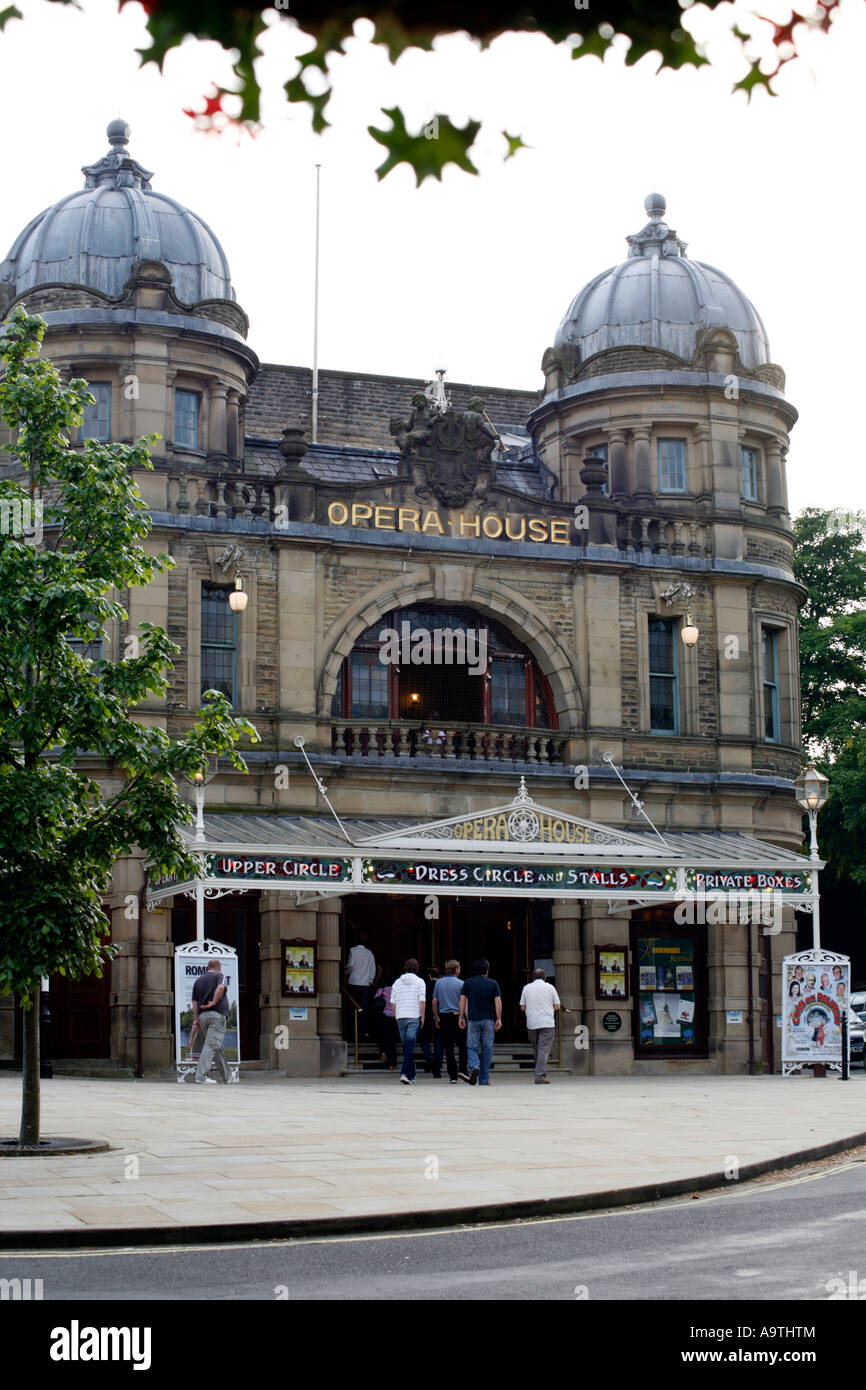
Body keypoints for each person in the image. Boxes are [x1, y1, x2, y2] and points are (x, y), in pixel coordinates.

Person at [458, 958, 501, 1085]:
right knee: (487, 1048)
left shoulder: (468, 983)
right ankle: (484, 1079)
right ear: (487, 971)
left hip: (472, 1019)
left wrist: (461, 1017)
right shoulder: (493, 984)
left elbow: (463, 1000)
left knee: (472, 1047)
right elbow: (497, 1002)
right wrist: (498, 1018)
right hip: (488, 1019)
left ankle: (474, 1066)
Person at [193, 958, 233, 1084]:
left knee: (215, 1045)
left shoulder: (198, 981)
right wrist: (214, 1002)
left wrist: (196, 1019)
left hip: (203, 1016)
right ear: (219, 967)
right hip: (216, 1015)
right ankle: (201, 1076)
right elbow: (220, 988)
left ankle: (227, 1076)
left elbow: (194, 1002)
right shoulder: (219, 975)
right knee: (211, 1045)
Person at [519, 968, 561, 1084]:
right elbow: (557, 1006)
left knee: (537, 1049)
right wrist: (547, 1009)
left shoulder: (526, 988)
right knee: (543, 1050)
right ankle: (539, 1076)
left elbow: (522, 1007)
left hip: (532, 1023)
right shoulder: (550, 988)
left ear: (532, 977)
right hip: (547, 1022)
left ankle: (539, 1073)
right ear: (545, 977)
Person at [391, 959, 427, 1085]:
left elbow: (392, 1001)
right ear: (417, 969)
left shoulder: (397, 982)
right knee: (409, 1045)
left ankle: (410, 1074)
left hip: (401, 1016)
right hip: (413, 1016)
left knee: (407, 1045)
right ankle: (405, 1073)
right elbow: (422, 1000)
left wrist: (396, 1015)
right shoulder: (420, 982)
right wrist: (422, 1016)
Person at [433, 959, 468, 1084]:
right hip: (457, 1015)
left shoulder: (439, 983)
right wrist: (464, 1017)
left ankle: (452, 1075)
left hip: (444, 1016)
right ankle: (463, 1070)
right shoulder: (461, 983)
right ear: (456, 969)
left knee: (448, 1047)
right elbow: (464, 1002)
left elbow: (434, 1002)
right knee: (462, 1045)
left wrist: (436, 1016)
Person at [345, 932, 376, 1039]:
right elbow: (373, 969)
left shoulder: (353, 951)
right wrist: (370, 980)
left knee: (352, 1008)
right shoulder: (369, 953)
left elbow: (351, 965)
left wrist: (345, 973)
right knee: (363, 1009)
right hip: (365, 984)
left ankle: (353, 1031)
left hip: (353, 982)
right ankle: (364, 1031)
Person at [418, 966, 443, 1077]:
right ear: (440, 976)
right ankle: (437, 1071)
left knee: (423, 1040)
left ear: (429, 976)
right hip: (440, 1017)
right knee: (439, 1043)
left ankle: (429, 1057)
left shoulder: (425, 986)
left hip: (426, 1016)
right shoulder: (442, 986)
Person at [372, 977, 397, 1068]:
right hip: (394, 1017)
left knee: (382, 1037)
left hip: (383, 1016)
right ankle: (392, 1062)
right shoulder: (396, 991)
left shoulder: (381, 990)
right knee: (392, 1039)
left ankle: (383, 1052)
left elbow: (375, 1001)